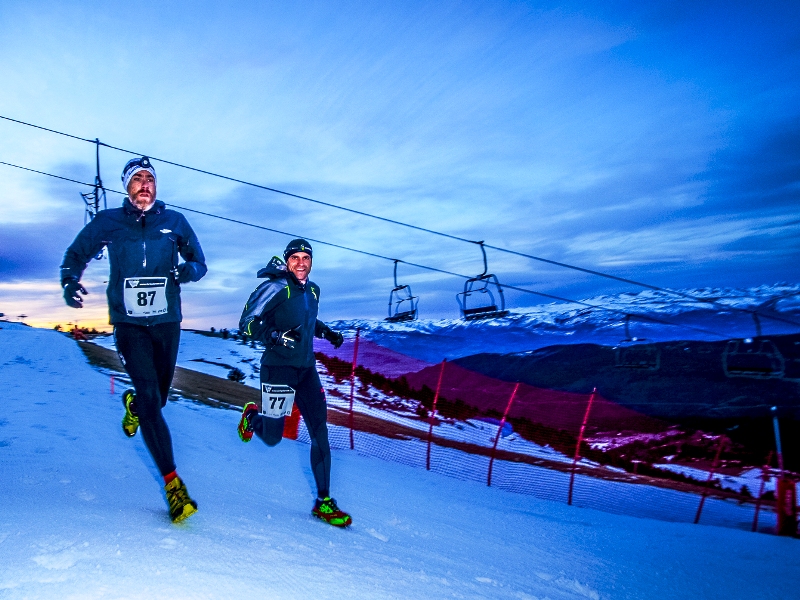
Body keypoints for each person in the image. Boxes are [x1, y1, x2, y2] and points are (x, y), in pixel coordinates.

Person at [60, 156, 207, 523]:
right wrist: (69, 279)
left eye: (149, 179)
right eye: (136, 179)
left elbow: (199, 262)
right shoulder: (109, 221)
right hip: (128, 324)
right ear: (126, 187)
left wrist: (187, 270)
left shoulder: (175, 222)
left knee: (158, 397)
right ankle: (174, 486)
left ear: (156, 186)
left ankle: (135, 405)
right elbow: (76, 253)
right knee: (150, 398)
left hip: (167, 322)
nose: (144, 184)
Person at [238, 239, 351, 527]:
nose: (301, 262)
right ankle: (253, 416)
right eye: (295, 258)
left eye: (306, 257)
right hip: (278, 369)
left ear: (311, 262)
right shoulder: (274, 287)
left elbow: (309, 319)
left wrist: (329, 334)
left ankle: (324, 502)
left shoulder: (313, 290)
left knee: (319, 432)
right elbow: (247, 323)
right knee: (275, 436)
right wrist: (274, 336)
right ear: (288, 261)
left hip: (305, 371)